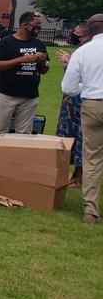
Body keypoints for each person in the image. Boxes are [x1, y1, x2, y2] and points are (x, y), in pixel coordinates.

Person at [61, 13, 103, 225]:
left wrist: (85, 88)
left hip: (93, 103)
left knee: (93, 158)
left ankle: (91, 211)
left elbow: (68, 88)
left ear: (90, 29)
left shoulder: (83, 51)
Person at [0, 11, 49, 149]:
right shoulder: (7, 42)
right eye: (36, 25)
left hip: (30, 95)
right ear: (24, 24)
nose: (38, 28)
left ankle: (19, 163)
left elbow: (44, 70)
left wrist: (42, 61)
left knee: (24, 133)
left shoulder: (39, 44)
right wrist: (22, 59)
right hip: (6, 94)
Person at [57, 22, 90, 187]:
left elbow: (87, 76)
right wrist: (68, 65)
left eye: (76, 32)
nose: (73, 35)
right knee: (71, 136)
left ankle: (80, 176)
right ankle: (76, 174)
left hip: (82, 101)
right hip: (71, 101)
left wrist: (71, 62)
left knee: (81, 137)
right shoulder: (80, 51)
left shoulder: (89, 51)